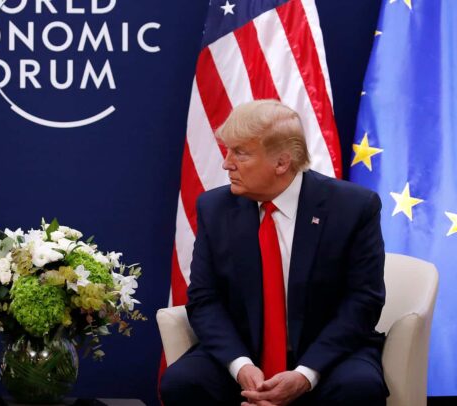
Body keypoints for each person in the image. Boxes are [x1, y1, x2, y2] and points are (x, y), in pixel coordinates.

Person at [160, 100, 388, 405]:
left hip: (327, 355)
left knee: (358, 388)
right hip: (245, 353)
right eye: (228, 150)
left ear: (282, 163)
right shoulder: (215, 209)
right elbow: (204, 299)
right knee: (182, 382)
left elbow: (363, 300)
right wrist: (241, 366)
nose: (227, 163)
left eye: (240, 153)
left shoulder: (352, 208)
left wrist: (305, 374)